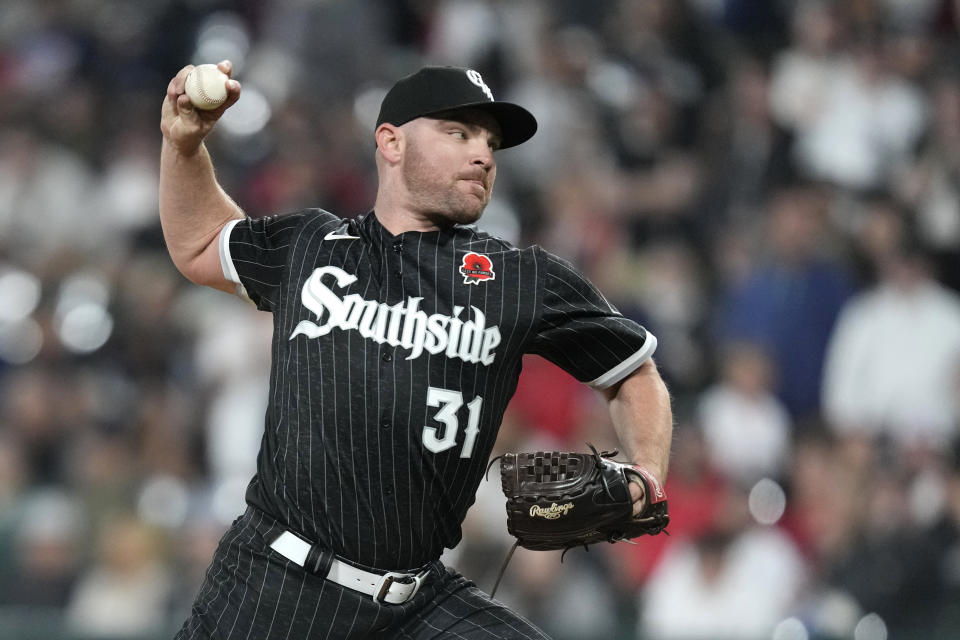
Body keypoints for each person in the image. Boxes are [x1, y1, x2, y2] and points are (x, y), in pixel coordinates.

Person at [159, 60, 673, 640]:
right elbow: (200, 242)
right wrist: (184, 146)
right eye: (458, 133)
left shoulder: (520, 280)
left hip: (418, 603)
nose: (482, 154)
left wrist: (647, 476)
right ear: (391, 141)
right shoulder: (313, 247)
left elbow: (634, 374)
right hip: (273, 591)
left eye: (490, 142)